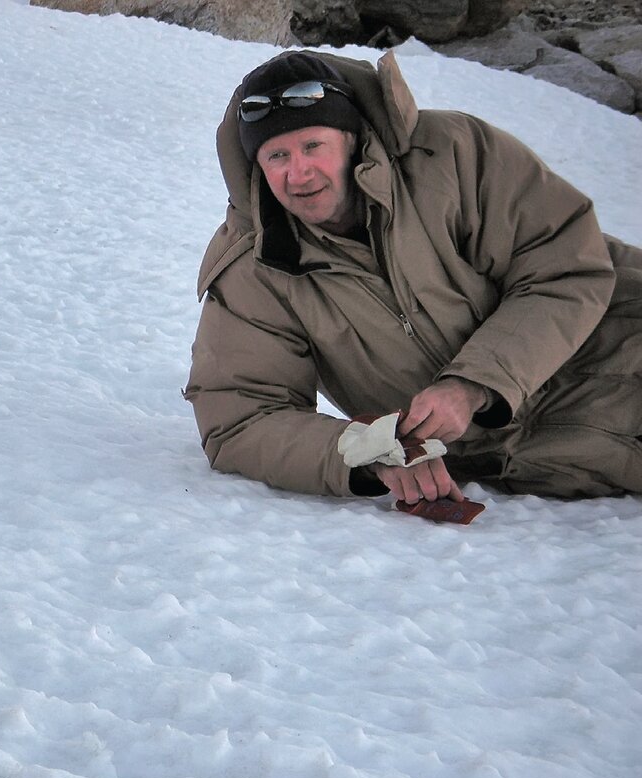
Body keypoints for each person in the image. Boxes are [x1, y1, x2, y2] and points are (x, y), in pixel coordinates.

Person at [183, 49, 642, 503]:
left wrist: (473, 385)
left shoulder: (453, 156)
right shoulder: (255, 266)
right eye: (276, 155)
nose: (299, 173)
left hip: (618, 340)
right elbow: (242, 417)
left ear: (351, 138)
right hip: (556, 454)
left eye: (312, 146)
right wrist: (365, 453)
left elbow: (566, 265)